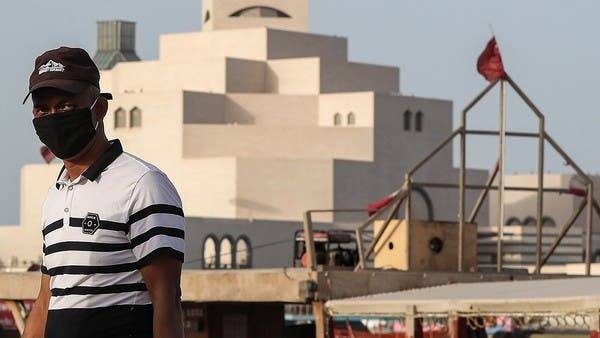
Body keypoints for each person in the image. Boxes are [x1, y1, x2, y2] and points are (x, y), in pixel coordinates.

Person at [21, 47, 186, 338]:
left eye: (65, 106)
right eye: (42, 109)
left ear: (99, 108)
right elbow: (47, 300)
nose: (52, 116)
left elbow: (167, 300)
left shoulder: (143, 185)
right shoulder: (55, 196)